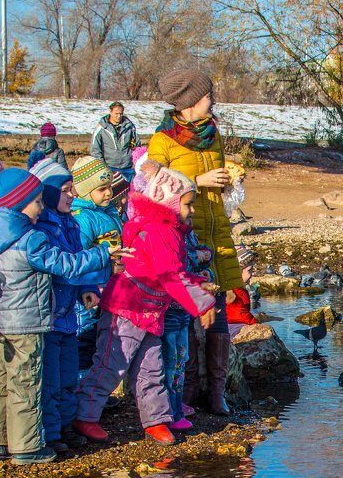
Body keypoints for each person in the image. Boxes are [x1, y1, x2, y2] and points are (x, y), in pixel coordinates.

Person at [72, 157, 218, 446]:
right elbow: (168, 275)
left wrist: (199, 283)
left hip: (151, 310)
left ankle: (156, 420)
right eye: (187, 205)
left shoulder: (171, 231)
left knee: (151, 366)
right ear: (170, 202)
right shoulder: (158, 230)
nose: (191, 211)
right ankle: (83, 415)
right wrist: (202, 304)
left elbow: (175, 271)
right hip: (128, 308)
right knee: (112, 364)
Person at [0, 168, 117, 465]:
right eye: (36, 201)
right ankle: (27, 447)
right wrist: (104, 254)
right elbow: (63, 263)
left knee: (1, 384)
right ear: (20, 202)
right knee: (27, 384)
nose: (40, 207)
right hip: (26, 321)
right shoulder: (30, 238)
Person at [148, 69, 241, 415]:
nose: (212, 100)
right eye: (208, 95)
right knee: (186, 310)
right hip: (183, 232)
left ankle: (216, 392)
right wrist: (196, 180)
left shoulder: (211, 133)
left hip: (215, 228)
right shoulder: (162, 140)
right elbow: (151, 186)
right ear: (189, 102)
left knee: (218, 306)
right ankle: (185, 390)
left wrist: (226, 184)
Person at [30, 157, 105, 453]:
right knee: (49, 378)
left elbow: (78, 260)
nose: (71, 195)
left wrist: (86, 287)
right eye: (65, 190)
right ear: (48, 192)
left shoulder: (70, 222)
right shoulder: (42, 227)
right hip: (48, 315)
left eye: (72, 189)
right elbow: (66, 264)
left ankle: (64, 425)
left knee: (67, 374)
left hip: (68, 314)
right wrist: (102, 257)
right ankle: (50, 432)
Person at [69, 157, 126, 374]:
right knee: (86, 337)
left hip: (108, 286)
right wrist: (107, 269)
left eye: (110, 187)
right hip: (90, 289)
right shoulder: (83, 218)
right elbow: (80, 257)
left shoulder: (108, 212)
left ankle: (95, 388)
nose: (109, 193)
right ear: (85, 191)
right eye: (102, 189)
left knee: (101, 337)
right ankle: (81, 388)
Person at [91, 102, 141, 180]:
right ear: (110, 112)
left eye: (121, 114)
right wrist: (102, 167)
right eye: (116, 113)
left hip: (127, 168)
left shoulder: (130, 127)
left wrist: (135, 162)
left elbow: (136, 146)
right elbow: (95, 149)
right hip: (109, 167)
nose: (119, 116)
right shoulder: (101, 128)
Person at [226, 245, 257, 339]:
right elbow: (238, 315)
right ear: (237, 271)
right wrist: (254, 323)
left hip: (235, 325)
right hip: (232, 328)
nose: (252, 274)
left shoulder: (240, 289)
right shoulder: (231, 291)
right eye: (249, 270)